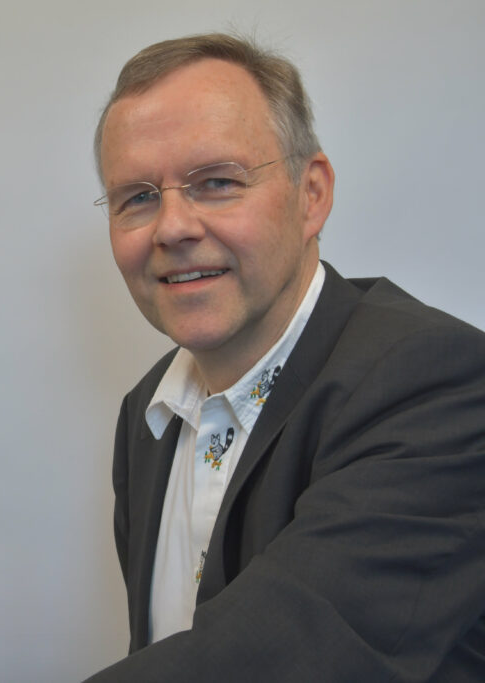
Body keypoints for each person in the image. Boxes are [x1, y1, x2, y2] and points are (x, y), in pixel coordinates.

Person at [84, 34, 485, 682]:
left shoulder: (436, 382)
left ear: (312, 194)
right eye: (137, 196)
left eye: (216, 182)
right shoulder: (147, 414)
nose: (172, 227)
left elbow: (282, 655)